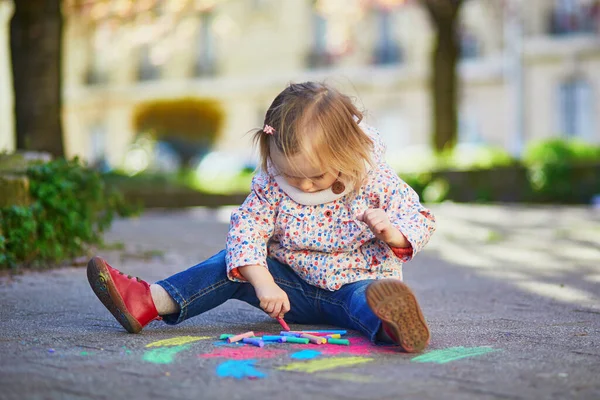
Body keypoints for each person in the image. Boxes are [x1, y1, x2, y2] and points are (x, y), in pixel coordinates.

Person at [87, 81, 436, 352]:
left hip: (355, 283)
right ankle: (149, 301)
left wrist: (393, 234)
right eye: (292, 174)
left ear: (346, 152)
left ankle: (394, 327)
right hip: (290, 288)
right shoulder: (271, 184)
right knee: (229, 263)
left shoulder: (372, 179)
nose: (305, 185)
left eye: (317, 176)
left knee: (369, 299)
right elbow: (247, 233)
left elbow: (418, 215)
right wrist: (263, 281)